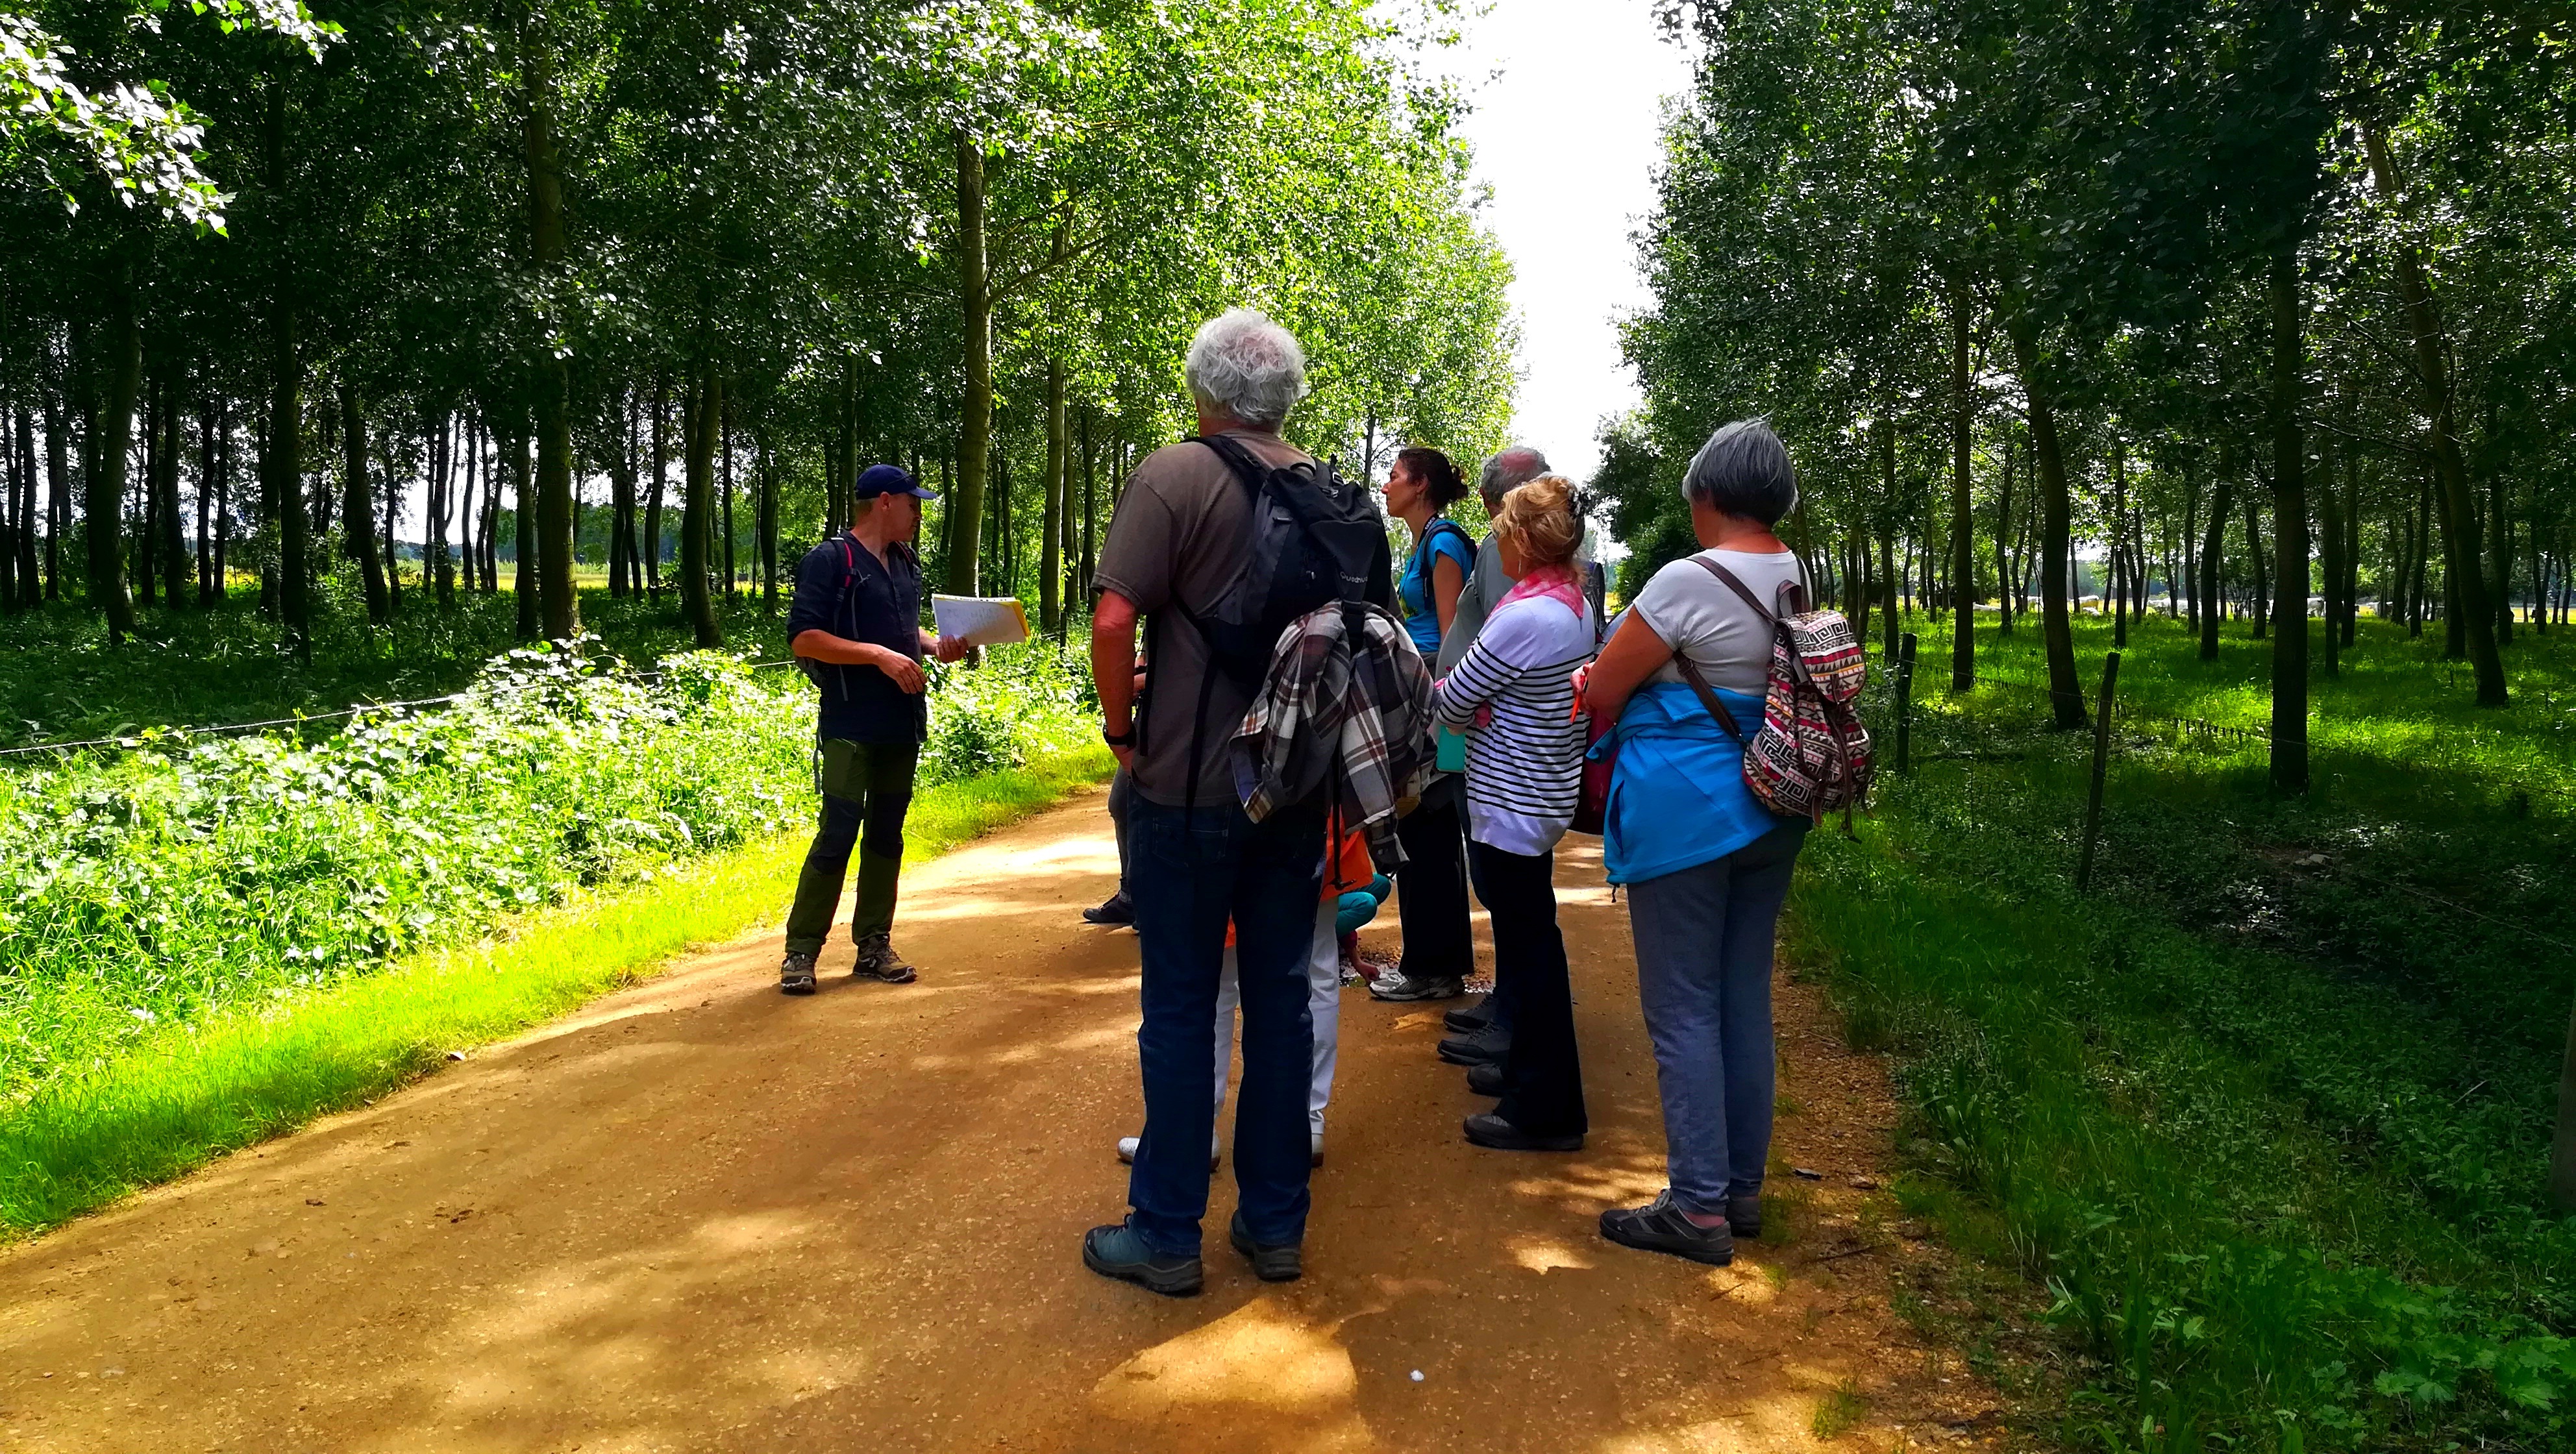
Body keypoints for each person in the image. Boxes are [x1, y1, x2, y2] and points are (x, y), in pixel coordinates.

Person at [1080, 308, 1333, 1296]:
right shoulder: (1325, 490)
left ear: (1206, 391)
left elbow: (1113, 621)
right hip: (1294, 791)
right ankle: (1274, 1228)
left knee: (1182, 1008)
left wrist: (1120, 732)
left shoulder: (1174, 475)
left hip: (1185, 788)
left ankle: (1167, 1232)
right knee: (1281, 1005)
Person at [1578, 420, 1812, 1266]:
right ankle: (1738, 1191)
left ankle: (1698, 1209)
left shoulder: (1688, 579)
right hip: (1776, 798)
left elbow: (1605, 686)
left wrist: (1594, 678)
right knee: (1741, 995)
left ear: (1705, 496)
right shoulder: (1795, 571)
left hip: (1688, 807)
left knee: (1681, 1006)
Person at [1430, 474, 1596, 1153]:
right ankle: (1526, 1070)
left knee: (1530, 951)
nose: (1498, 541)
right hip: (1538, 789)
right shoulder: (1570, 601)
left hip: (1510, 798)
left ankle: (1546, 1108)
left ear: (1526, 541)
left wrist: (1463, 699)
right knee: (1529, 938)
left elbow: (1453, 700)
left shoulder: (1528, 616)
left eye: (1503, 531)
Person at [779, 464, 969, 994]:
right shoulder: (830, 560)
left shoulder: (905, 563)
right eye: (913, 504)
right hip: (849, 722)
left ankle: (873, 947)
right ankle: (801, 952)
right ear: (884, 502)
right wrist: (878, 656)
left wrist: (935, 646)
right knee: (838, 832)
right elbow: (804, 639)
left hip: (901, 722)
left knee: (886, 834)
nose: (918, 514)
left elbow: (906, 631)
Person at [1114, 814, 1376, 1170]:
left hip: (1211, 807)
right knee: (1313, 967)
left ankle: (1195, 1134)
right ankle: (1303, 1124)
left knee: (1213, 981)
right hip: (1313, 806)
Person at [1428, 444, 1555, 1055]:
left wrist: (1447, 701)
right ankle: (1509, 1002)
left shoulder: (1515, 555)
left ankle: (1515, 1022)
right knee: (1507, 880)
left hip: (1482, 734)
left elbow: (1497, 647)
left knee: (1500, 875)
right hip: (1489, 731)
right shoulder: (1561, 558)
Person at [1368, 446, 1478, 1004]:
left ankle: (1432, 969)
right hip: (1423, 702)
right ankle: (1433, 964)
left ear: (1420, 485)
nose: (1386, 486)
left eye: (1394, 476)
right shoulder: (1425, 541)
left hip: (1437, 708)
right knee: (1423, 829)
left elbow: (1455, 638)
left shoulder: (1443, 542)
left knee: (1427, 829)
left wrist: (1443, 731)